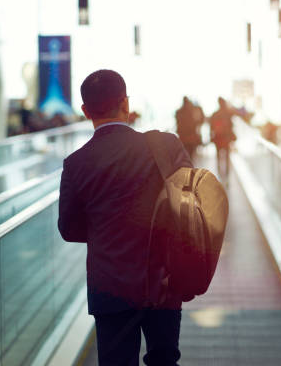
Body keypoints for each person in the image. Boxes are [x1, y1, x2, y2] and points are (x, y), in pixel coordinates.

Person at [58, 69, 192, 365]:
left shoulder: (76, 163)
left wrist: (105, 229)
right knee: (165, 360)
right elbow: (190, 204)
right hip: (163, 280)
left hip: (110, 284)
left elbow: (68, 229)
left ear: (84, 111)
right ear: (125, 103)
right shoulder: (166, 147)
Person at [209, 97, 237, 181]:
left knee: (218, 156)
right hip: (226, 139)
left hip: (218, 138)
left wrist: (211, 136)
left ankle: (219, 174)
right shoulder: (228, 114)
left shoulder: (215, 114)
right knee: (227, 157)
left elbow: (211, 127)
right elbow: (232, 125)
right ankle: (227, 175)